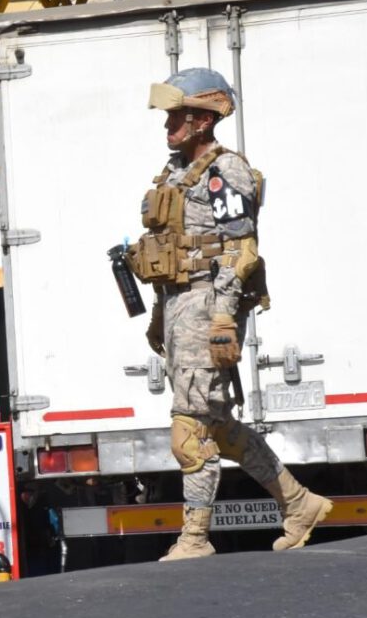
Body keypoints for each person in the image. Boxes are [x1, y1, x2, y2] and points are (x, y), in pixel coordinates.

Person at [129, 68, 333, 561]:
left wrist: (223, 318)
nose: (168, 125)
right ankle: (299, 504)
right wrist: (160, 315)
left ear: (202, 120)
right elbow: (174, 250)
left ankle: (195, 538)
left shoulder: (225, 170)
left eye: (176, 116)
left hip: (206, 307)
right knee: (217, 425)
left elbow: (240, 251)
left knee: (191, 428)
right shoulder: (174, 173)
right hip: (179, 308)